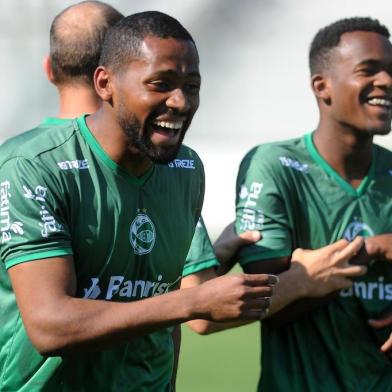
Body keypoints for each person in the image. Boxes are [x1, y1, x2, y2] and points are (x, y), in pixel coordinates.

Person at [0, 11, 278, 391]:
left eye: (192, 86)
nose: (180, 102)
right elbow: (50, 325)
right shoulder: (32, 166)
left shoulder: (185, 168)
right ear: (105, 83)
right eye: (160, 84)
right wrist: (192, 302)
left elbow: (161, 310)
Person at [231, 17, 392, 391]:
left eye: (391, 71)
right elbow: (270, 300)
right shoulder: (273, 165)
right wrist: (374, 249)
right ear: (322, 86)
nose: (386, 82)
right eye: (369, 71)